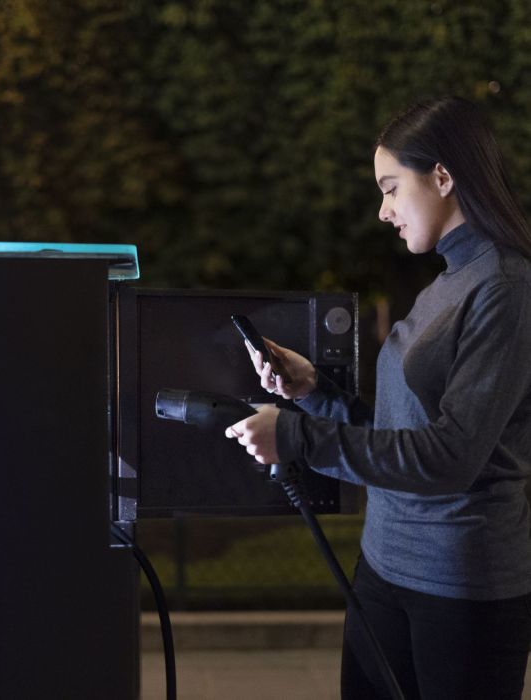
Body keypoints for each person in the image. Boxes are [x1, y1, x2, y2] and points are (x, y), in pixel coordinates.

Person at [225, 96, 531, 700]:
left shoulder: (504, 288)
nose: (383, 210)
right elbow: (404, 432)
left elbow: (450, 457)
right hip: (384, 566)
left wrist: (295, 436)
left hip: (459, 584)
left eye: (391, 189)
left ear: (442, 177)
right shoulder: (448, 283)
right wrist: (314, 394)